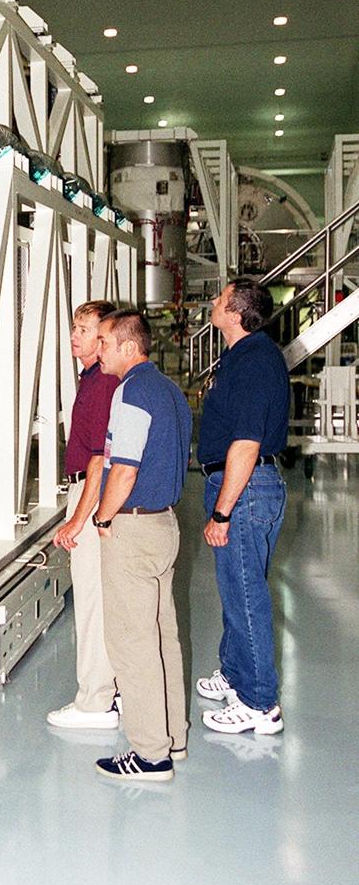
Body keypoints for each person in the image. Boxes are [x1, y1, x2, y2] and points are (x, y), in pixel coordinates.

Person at [91, 310, 192, 783]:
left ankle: (150, 754)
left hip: (133, 530)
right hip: (166, 526)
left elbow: (124, 468)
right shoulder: (170, 391)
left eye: (107, 342)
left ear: (130, 348)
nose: (100, 349)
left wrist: (103, 516)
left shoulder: (130, 392)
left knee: (132, 642)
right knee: (162, 635)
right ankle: (173, 736)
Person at [196, 278, 289, 736]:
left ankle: (259, 703)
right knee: (237, 588)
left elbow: (247, 442)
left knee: (246, 594)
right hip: (242, 487)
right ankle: (236, 673)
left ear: (234, 314)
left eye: (219, 299)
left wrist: (223, 512)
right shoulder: (243, 356)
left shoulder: (254, 360)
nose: (213, 303)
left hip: (245, 489)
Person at [48, 301, 120, 729]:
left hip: (90, 496)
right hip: (91, 493)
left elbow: (99, 459)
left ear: (103, 337)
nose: (74, 335)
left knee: (92, 603)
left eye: (83, 329)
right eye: (73, 327)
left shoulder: (102, 387)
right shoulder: (92, 380)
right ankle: (114, 692)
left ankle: (95, 702)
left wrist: (78, 518)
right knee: (102, 601)